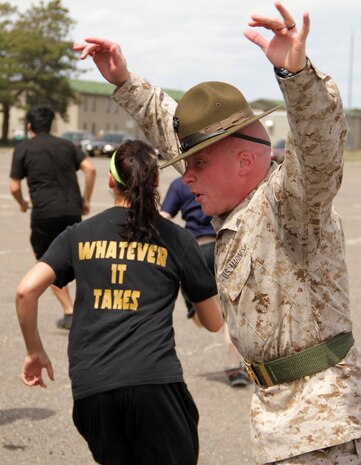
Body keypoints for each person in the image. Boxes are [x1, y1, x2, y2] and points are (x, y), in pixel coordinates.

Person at [73, 3, 361, 464]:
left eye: (197, 166)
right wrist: (126, 84)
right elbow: (180, 134)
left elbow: (321, 147)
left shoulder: (291, 205)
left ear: (246, 162)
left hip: (321, 426)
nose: (185, 178)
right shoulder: (239, 205)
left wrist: (298, 78)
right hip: (281, 417)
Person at [15, 139, 223, 465]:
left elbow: (26, 291)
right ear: (155, 182)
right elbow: (213, 323)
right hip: (154, 384)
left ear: (111, 180)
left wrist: (34, 351)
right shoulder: (176, 238)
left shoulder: (78, 235)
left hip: (92, 387)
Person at [10, 105, 96, 330]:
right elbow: (90, 169)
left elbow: (14, 186)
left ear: (29, 126)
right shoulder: (67, 145)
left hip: (45, 214)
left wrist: (22, 204)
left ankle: (70, 311)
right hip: (71, 211)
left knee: (49, 262)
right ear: (50, 125)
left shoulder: (24, 148)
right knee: (78, 261)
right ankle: (93, 307)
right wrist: (85, 199)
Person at [160, 177, 249, 387]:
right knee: (229, 314)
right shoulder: (220, 176)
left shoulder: (181, 184)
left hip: (194, 252)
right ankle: (235, 368)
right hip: (224, 250)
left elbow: (163, 217)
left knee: (201, 317)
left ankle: (234, 362)